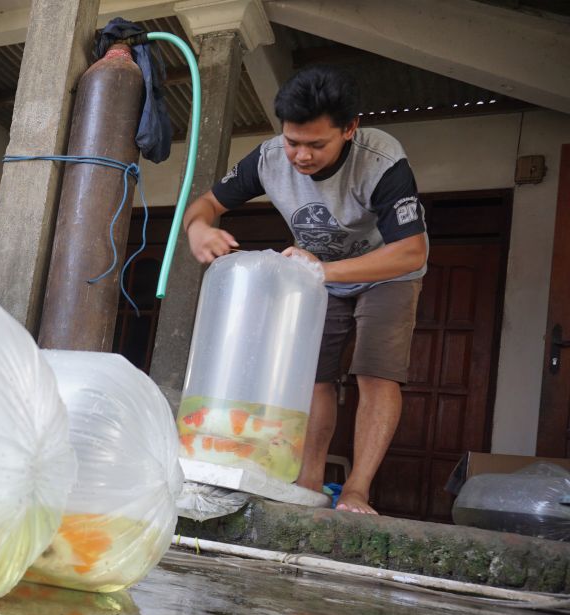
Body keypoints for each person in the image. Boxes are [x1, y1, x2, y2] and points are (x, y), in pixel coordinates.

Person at [182, 65, 428, 515]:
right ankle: (308, 482)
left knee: (375, 371)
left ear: (349, 129)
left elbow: (410, 251)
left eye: (316, 144)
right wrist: (197, 228)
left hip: (386, 272)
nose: (301, 156)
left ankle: (356, 491)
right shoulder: (269, 157)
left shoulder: (381, 159)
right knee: (313, 376)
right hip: (316, 274)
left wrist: (324, 272)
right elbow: (207, 203)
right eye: (293, 141)